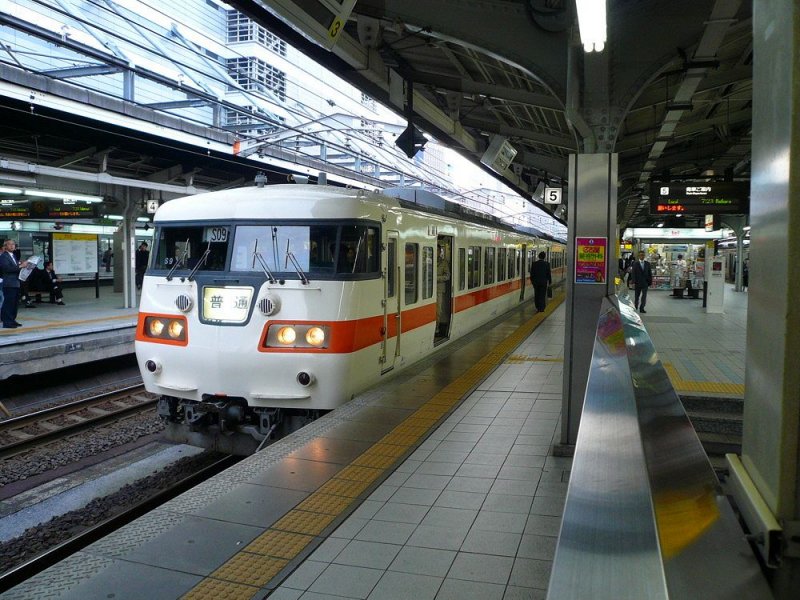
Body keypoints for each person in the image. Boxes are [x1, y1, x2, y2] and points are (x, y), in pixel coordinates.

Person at [0, 239, 30, 328]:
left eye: (13, 244)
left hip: (16, 282)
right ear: (5, 246)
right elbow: (7, 269)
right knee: (8, 303)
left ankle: (12, 320)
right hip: (9, 283)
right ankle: (7, 322)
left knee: (15, 303)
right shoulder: (3, 256)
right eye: (10, 244)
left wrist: (23, 265)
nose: (12, 246)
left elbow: (16, 267)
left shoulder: (13, 255)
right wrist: (20, 266)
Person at [436, 244, 451, 335]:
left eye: (437, 250)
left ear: (440, 251)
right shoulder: (427, 261)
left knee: (438, 310)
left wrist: (436, 278)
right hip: (427, 289)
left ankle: (436, 329)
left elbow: (447, 276)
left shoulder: (444, 263)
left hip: (439, 289)